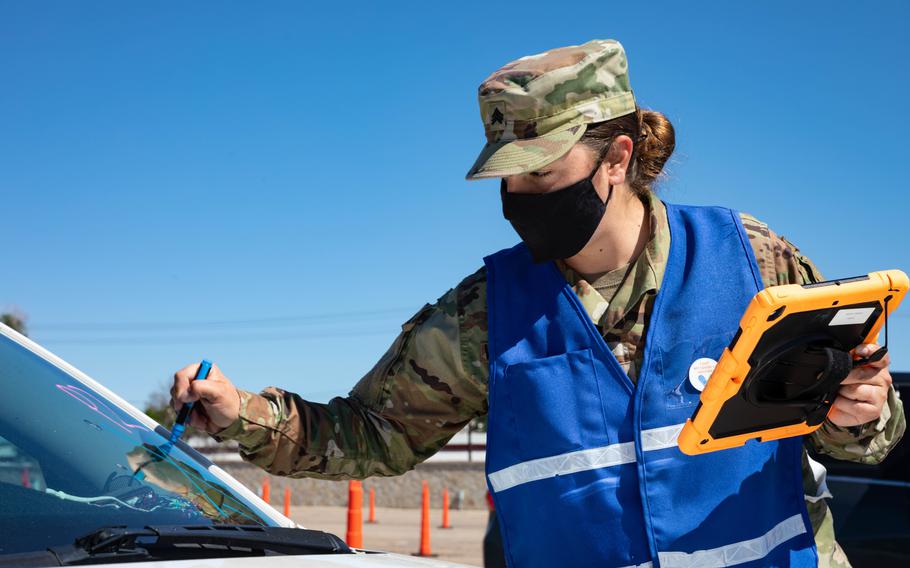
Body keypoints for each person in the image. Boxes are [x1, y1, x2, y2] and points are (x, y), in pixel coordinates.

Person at [170, 39, 904, 567]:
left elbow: (849, 425)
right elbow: (369, 434)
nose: (518, 199)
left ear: (616, 159)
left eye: (540, 173)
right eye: (507, 178)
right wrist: (244, 413)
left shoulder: (754, 263)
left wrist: (862, 411)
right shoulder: (481, 317)